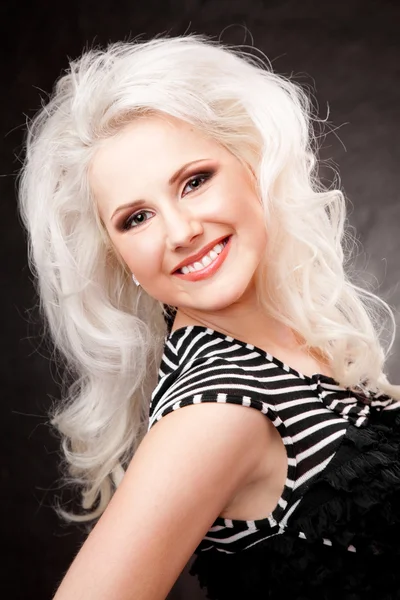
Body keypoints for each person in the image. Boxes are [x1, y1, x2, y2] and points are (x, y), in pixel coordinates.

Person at [18, 34, 400, 600]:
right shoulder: (216, 405)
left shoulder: (289, 340)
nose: (181, 232)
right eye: (137, 218)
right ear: (114, 256)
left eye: (194, 182)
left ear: (253, 164)